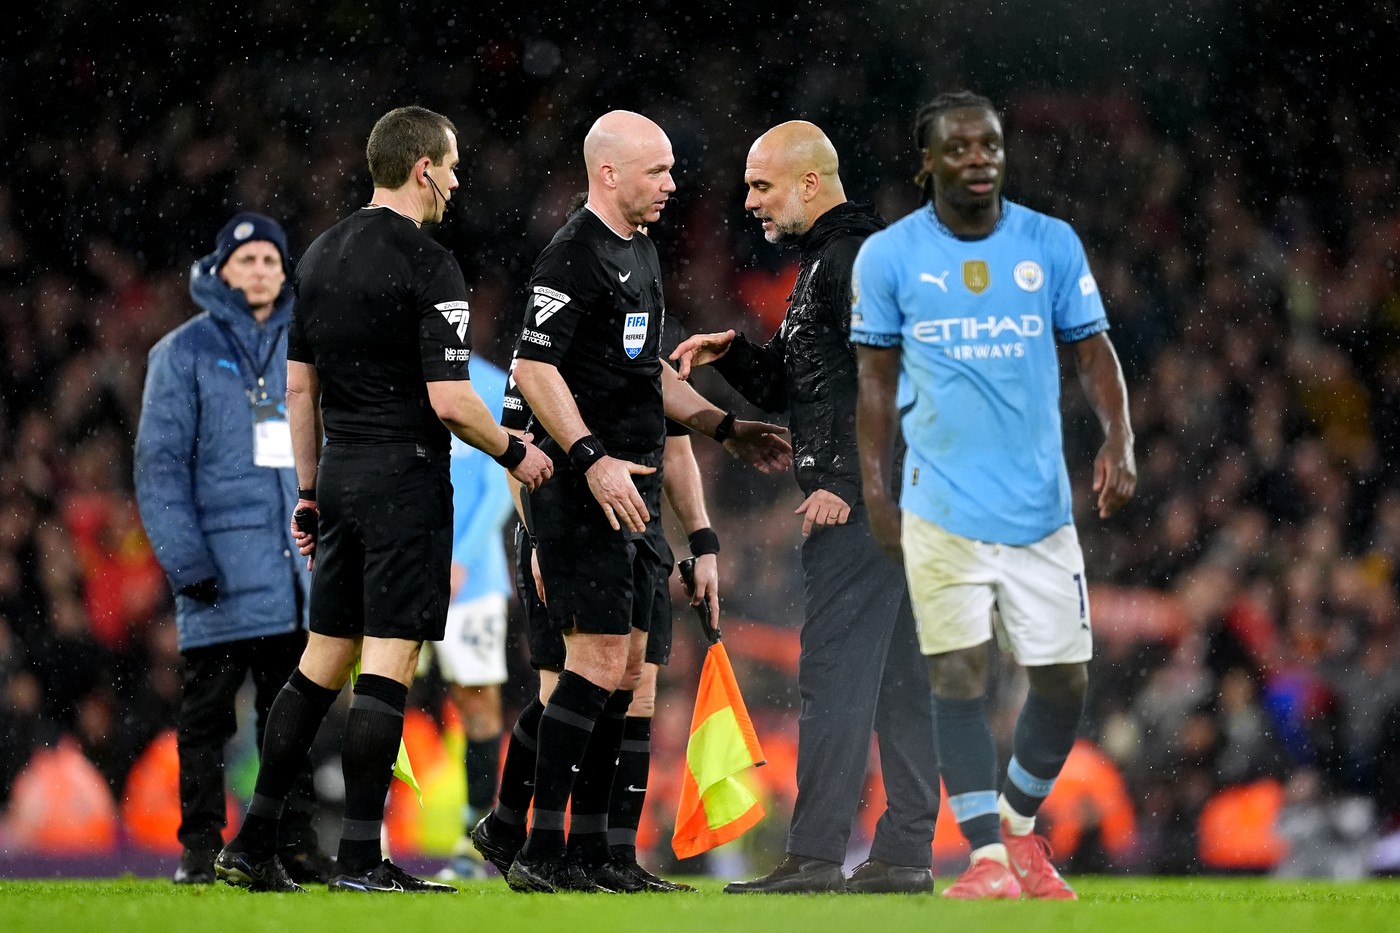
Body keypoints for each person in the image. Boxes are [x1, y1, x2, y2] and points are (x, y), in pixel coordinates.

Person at [213, 105, 552, 895]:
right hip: (404, 481)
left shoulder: (319, 258)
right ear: (423, 167)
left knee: (320, 658)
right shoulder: (432, 264)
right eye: (453, 165)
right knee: (389, 662)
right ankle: (361, 857)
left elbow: (299, 389)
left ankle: (251, 838)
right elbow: (450, 400)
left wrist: (306, 489)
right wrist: (517, 450)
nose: (459, 180)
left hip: (339, 474)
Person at [851, 90, 1137, 900]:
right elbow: (874, 388)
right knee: (958, 675)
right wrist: (877, 494)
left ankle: (1017, 828)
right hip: (938, 506)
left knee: (1063, 679)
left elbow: (1093, 350)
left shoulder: (1049, 243)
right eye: (961, 147)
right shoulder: (889, 257)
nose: (979, 158)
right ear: (928, 161)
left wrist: (1121, 438)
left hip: (1040, 510)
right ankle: (983, 857)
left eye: (992, 146)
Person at [499, 110, 791, 894]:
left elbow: (649, 380)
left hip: (638, 494)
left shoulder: (642, 254)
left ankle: (605, 854)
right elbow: (532, 369)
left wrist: (724, 425)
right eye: (658, 171)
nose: (672, 184)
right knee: (593, 665)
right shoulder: (571, 257)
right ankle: (537, 849)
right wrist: (590, 460)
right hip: (585, 493)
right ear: (609, 174)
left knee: (634, 672)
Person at [670, 121, 940, 895]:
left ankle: (817, 856)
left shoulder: (853, 259)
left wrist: (849, 482)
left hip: (871, 509)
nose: (750, 201)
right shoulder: (837, 260)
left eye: (763, 185)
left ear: (811, 183)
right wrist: (737, 356)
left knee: (836, 672)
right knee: (900, 679)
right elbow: (809, 385)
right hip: (907, 504)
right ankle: (905, 854)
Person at [473, 318, 718, 894]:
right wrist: (538, 538)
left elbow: (677, 450)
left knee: (637, 689)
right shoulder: (547, 344)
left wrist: (702, 539)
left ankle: (611, 854)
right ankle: (526, 833)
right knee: (572, 687)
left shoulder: (654, 341)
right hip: (567, 531)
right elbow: (517, 448)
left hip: (643, 533)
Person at [134, 212, 329, 887]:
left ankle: (292, 844)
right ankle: (198, 849)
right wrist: (187, 563)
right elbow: (159, 469)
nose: (259, 272)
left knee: (294, 716)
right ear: (219, 270)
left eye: (271, 262)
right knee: (206, 721)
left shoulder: (305, 345)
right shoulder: (181, 353)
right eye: (246, 260)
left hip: (292, 573)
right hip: (217, 573)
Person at [431, 354, 517, 881]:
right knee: (377, 697)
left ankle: (475, 845)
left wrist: (460, 557)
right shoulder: (403, 375)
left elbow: (501, 482)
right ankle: (367, 838)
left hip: (474, 580)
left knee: (479, 708)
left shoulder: (491, 386)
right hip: (403, 572)